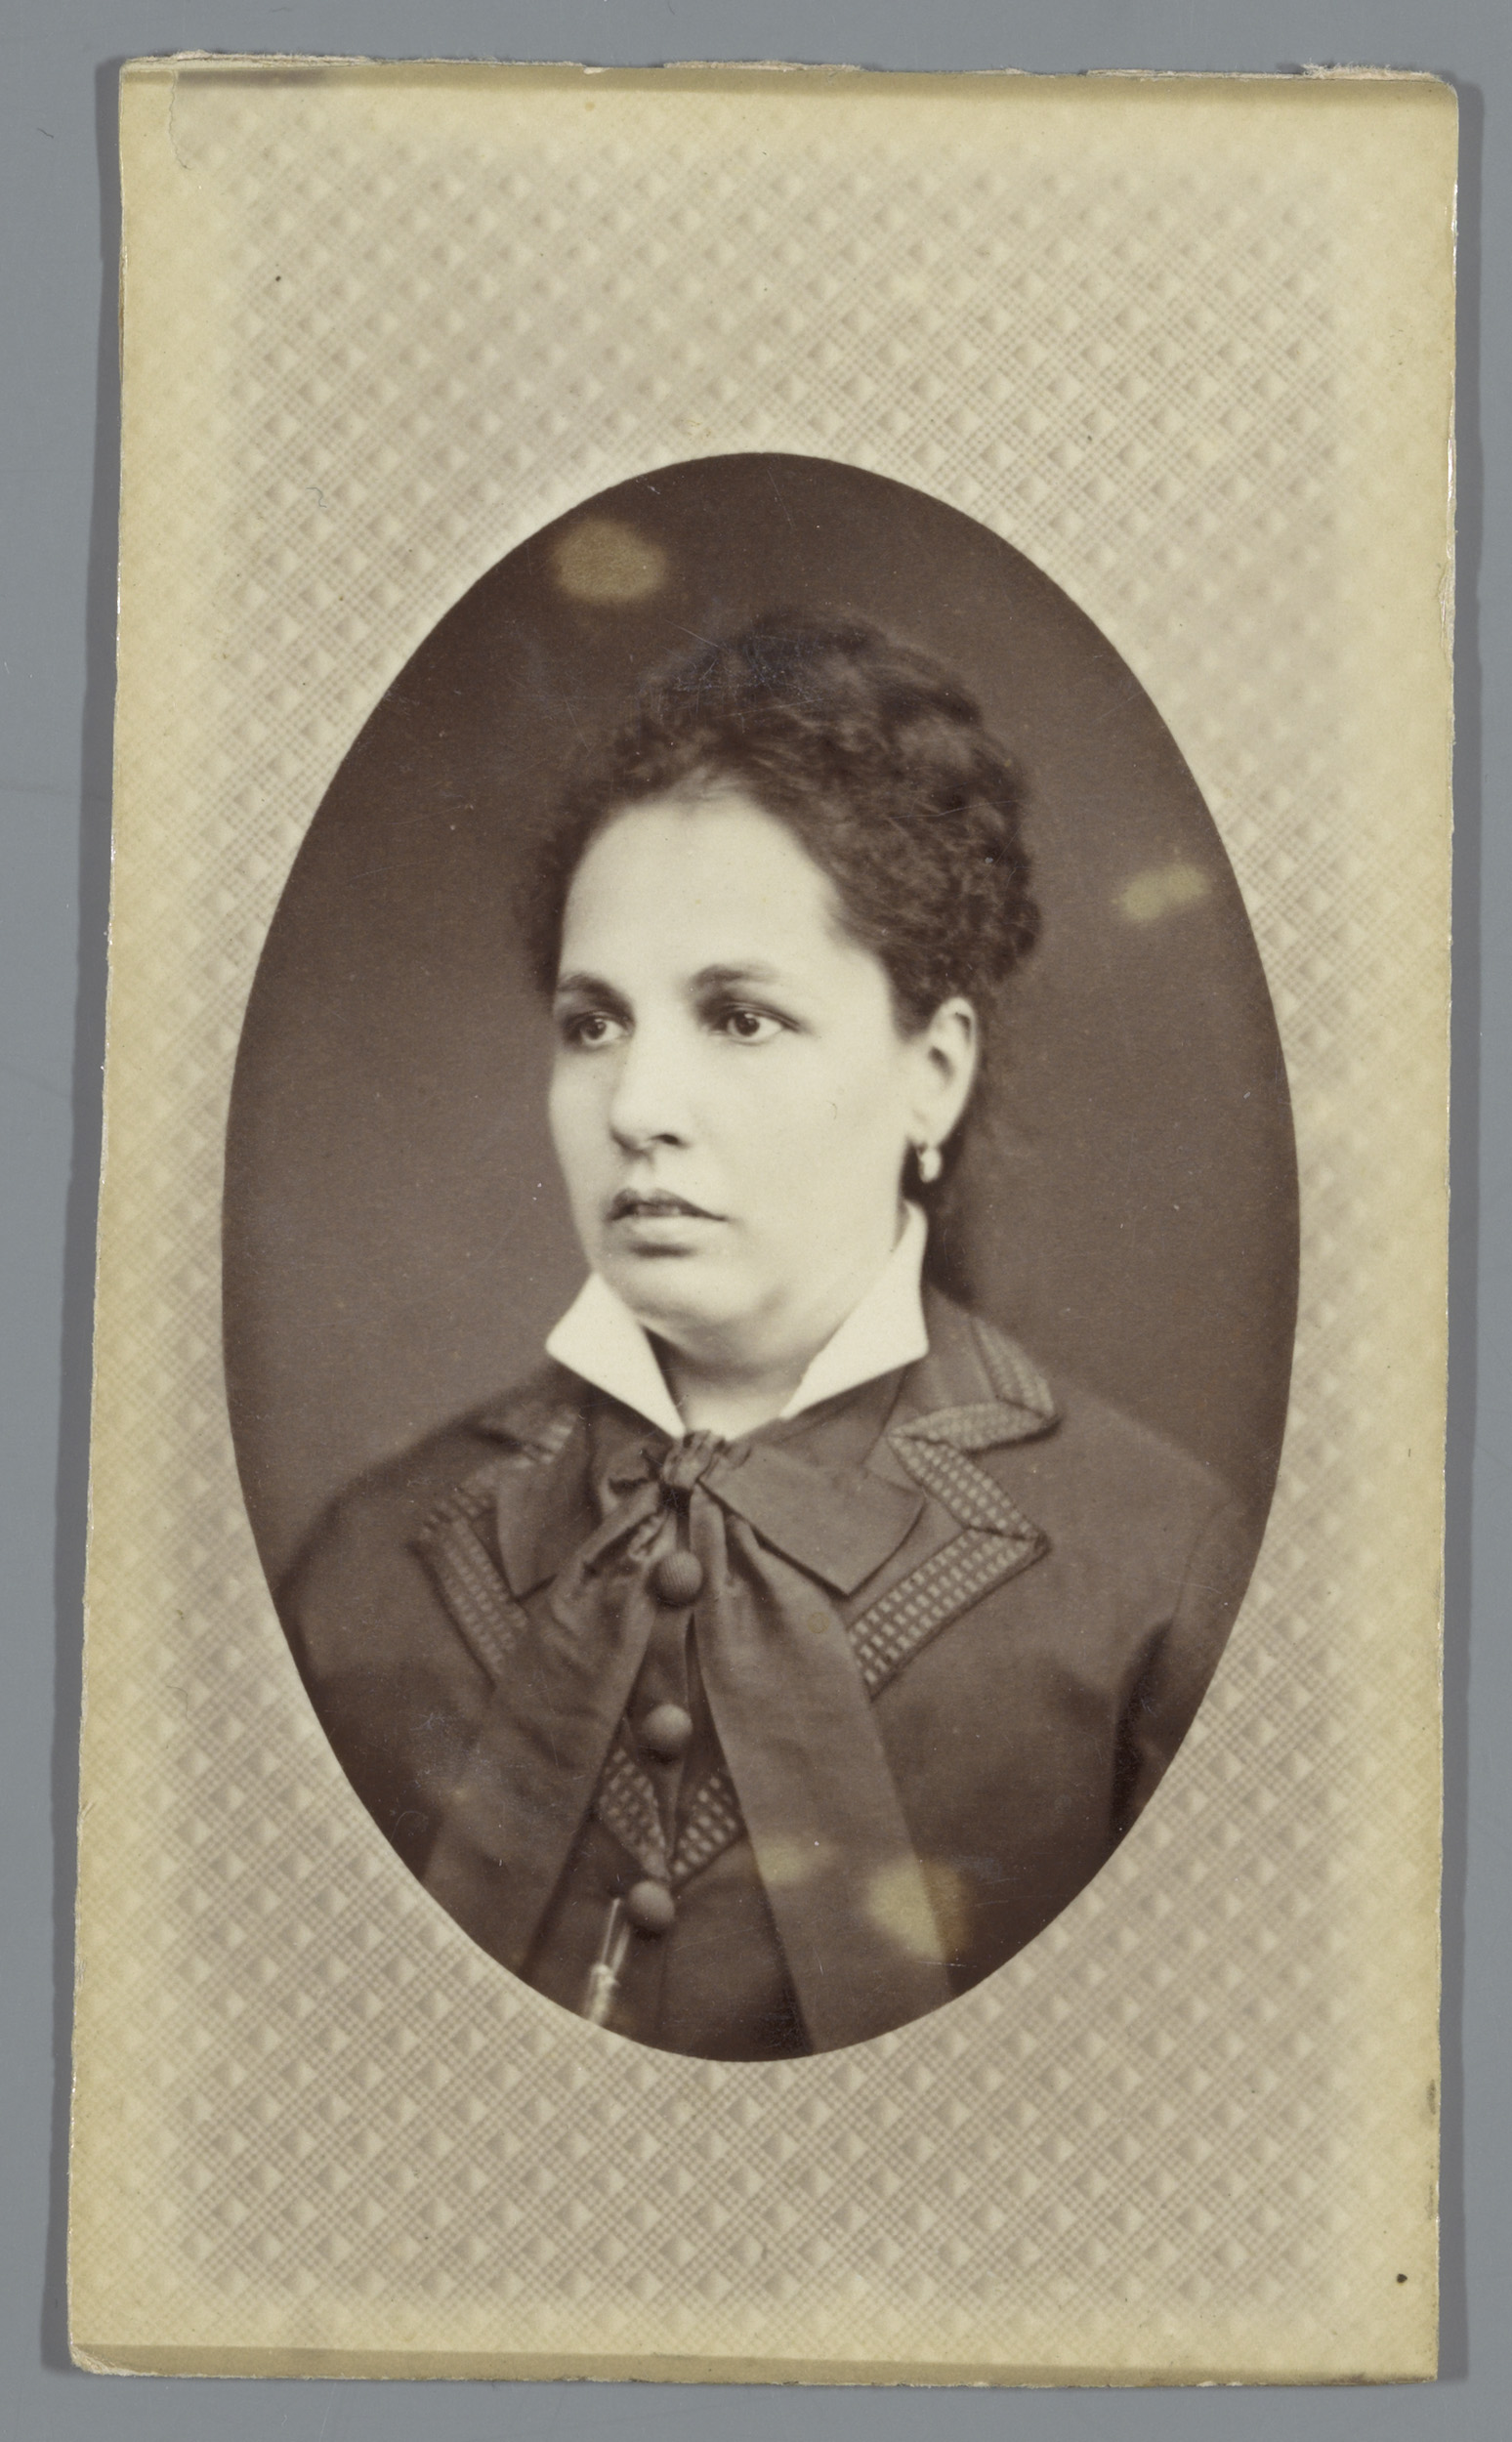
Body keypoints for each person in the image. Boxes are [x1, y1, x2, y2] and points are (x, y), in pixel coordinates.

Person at [280, 612, 1259, 2061]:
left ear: (933, 1073)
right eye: (594, 1024)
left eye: (738, 1019)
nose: (635, 1106)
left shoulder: (1157, 1588)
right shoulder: (366, 1573)